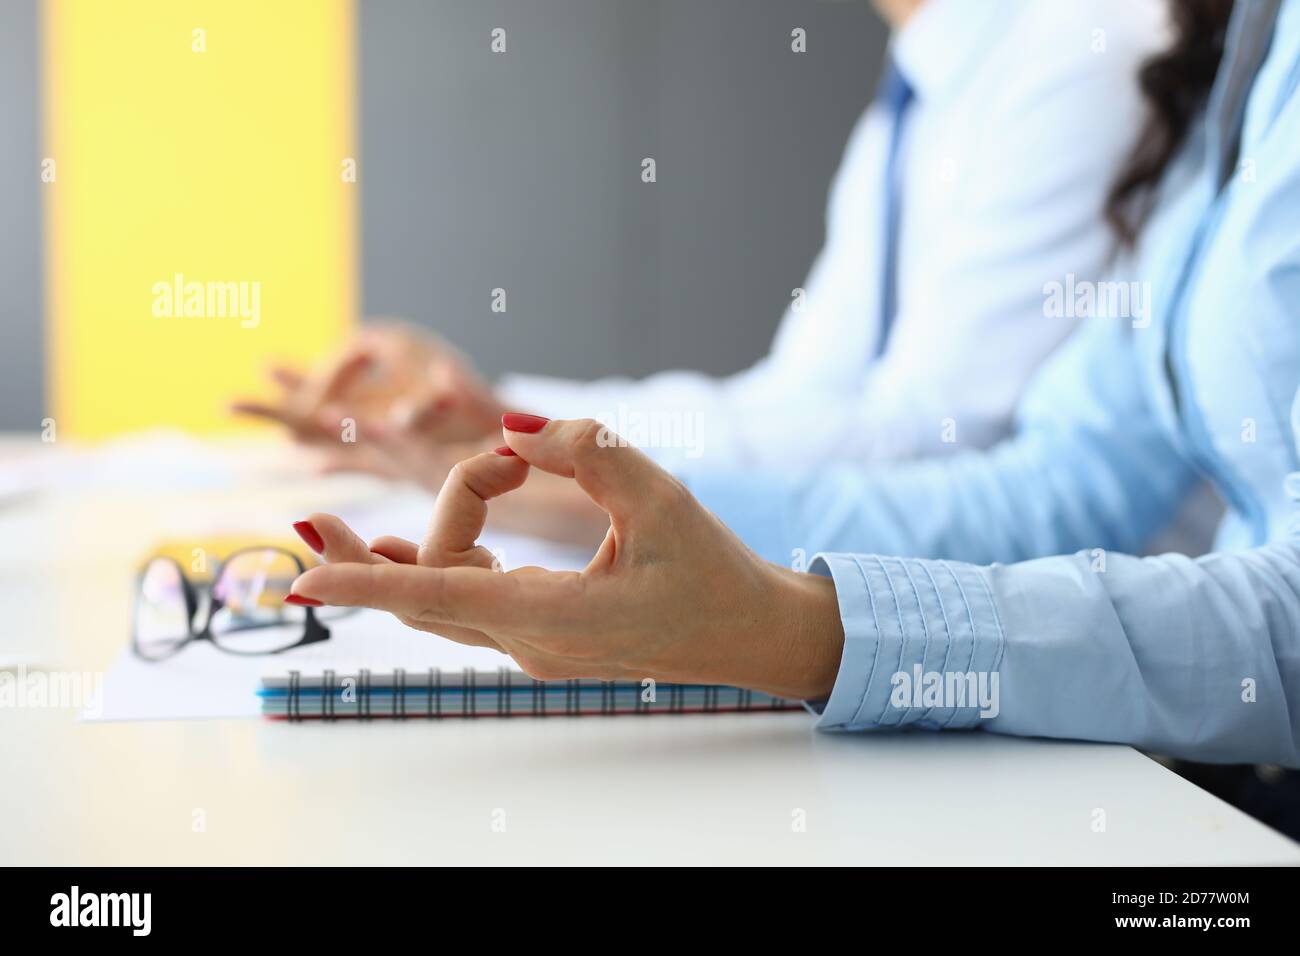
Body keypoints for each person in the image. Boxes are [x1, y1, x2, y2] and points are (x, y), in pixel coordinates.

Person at [283, 0, 1300, 778]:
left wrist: (793, 621)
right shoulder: (1236, 68)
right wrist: (547, 458)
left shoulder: (1089, 51)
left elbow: (927, 436)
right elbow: (1060, 471)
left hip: (1192, 735)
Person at [237, 0, 1166, 530]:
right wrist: (510, 422)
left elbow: (932, 436)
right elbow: (800, 400)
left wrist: (577, 476)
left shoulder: (1077, 62)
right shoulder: (916, 97)